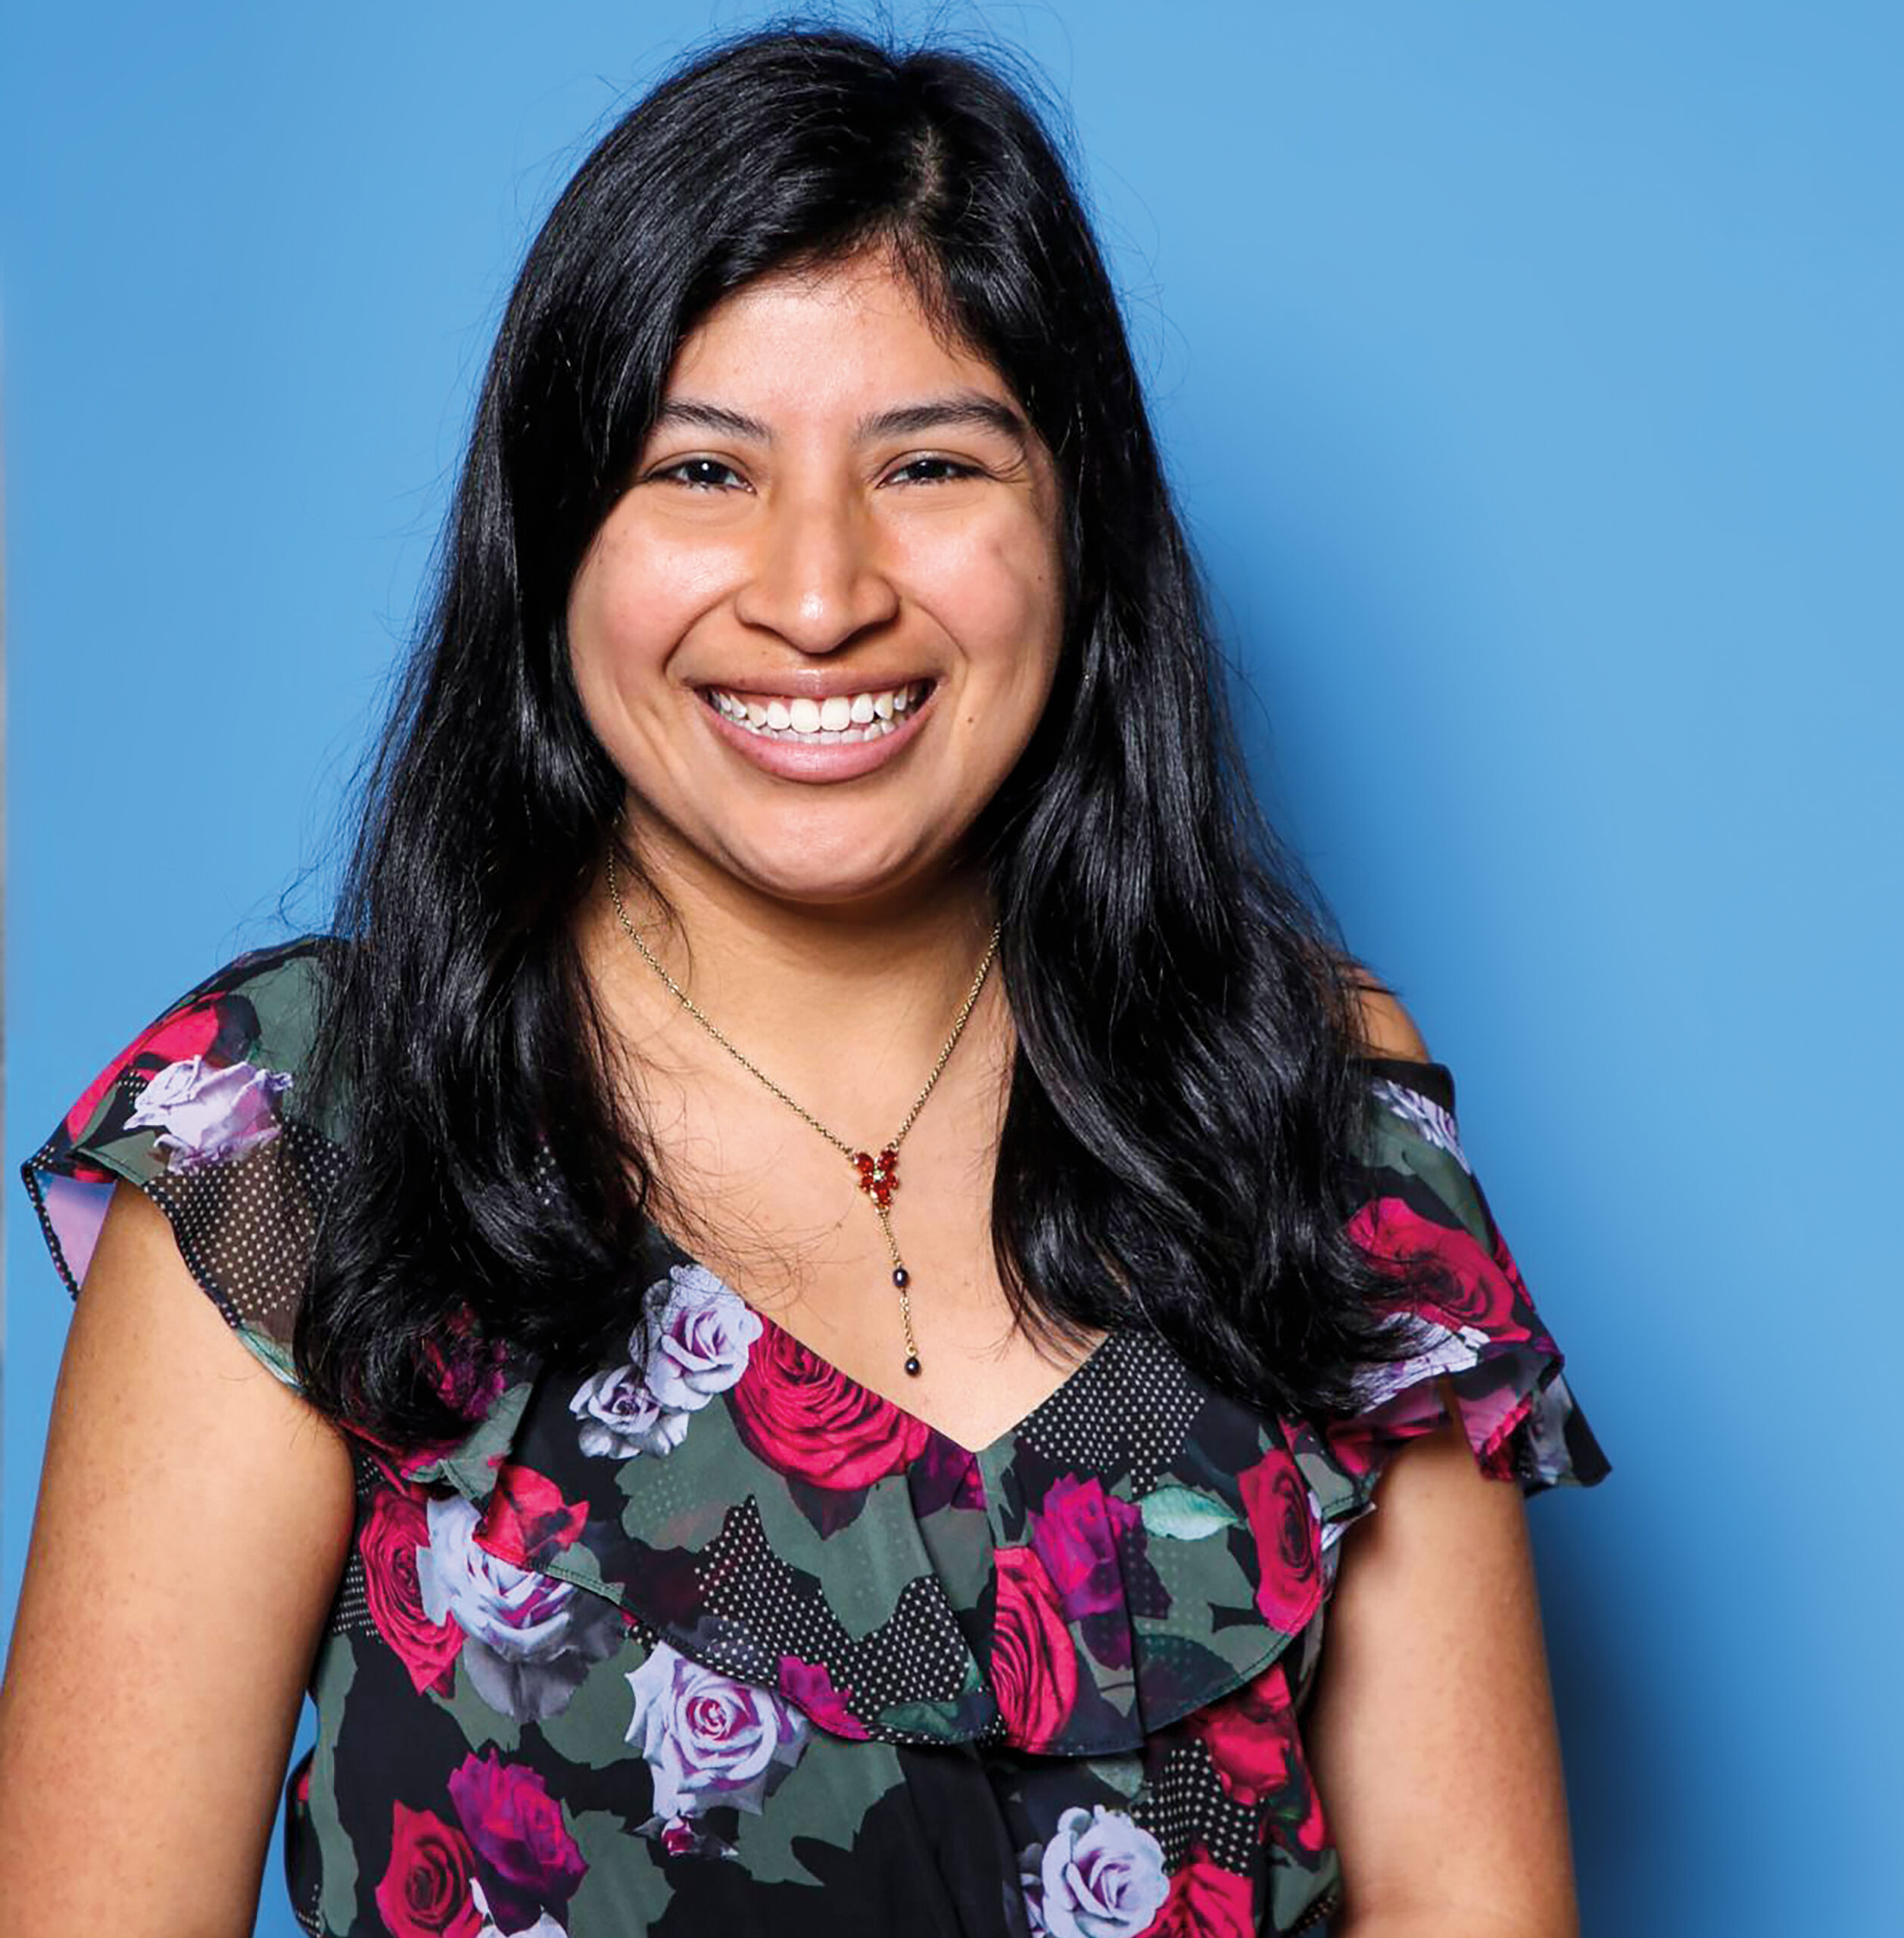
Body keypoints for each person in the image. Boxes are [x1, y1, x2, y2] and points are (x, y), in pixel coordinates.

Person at [0, 26, 1610, 1938]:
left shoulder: (1313, 1109)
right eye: (701, 468)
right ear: (554, 543)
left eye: (929, 461)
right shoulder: (303, 1132)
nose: (820, 589)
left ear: (1075, 522)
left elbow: (1470, 1903)